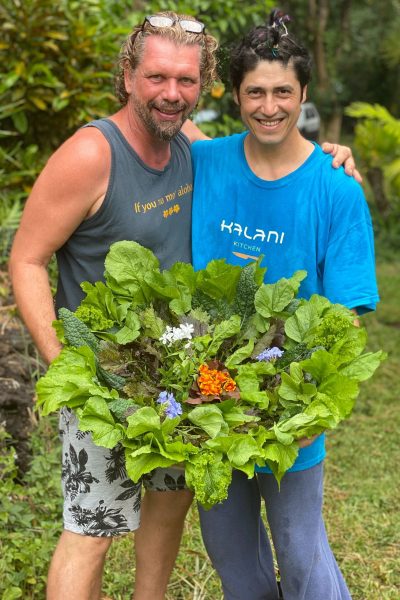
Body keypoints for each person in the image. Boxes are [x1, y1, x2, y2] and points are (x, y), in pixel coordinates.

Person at [9, 9, 359, 600]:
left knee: (166, 517)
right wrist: (70, 368)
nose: (171, 94)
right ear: (127, 75)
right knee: (92, 531)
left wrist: (327, 153)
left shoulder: (191, 147)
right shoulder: (93, 154)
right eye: (157, 78)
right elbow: (25, 260)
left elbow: (267, 146)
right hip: (100, 375)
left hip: (173, 380)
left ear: (203, 86)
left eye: (186, 81)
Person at [191, 10, 379, 600]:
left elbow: (346, 321)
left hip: (290, 404)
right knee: (231, 556)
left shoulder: (335, 188)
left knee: (300, 552)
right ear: (234, 96)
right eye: (255, 92)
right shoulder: (205, 161)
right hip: (209, 394)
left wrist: (312, 411)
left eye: (282, 92)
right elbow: (148, 119)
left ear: (302, 94)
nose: (268, 106)